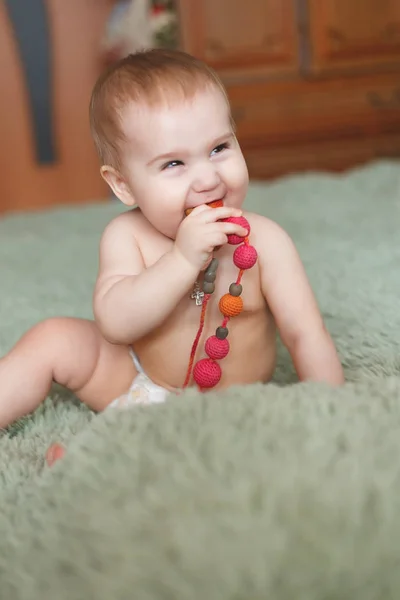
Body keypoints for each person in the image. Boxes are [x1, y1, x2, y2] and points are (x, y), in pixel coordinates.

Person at [0, 48, 344, 435]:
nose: (207, 179)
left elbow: (305, 333)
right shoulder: (127, 235)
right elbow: (115, 323)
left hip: (233, 408)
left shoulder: (267, 242)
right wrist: (181, 261)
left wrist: (332, 413)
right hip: (140, 384)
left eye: (219, 148)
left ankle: (131, 461)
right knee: (53, 338)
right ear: (123, 185)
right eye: (173, 164)